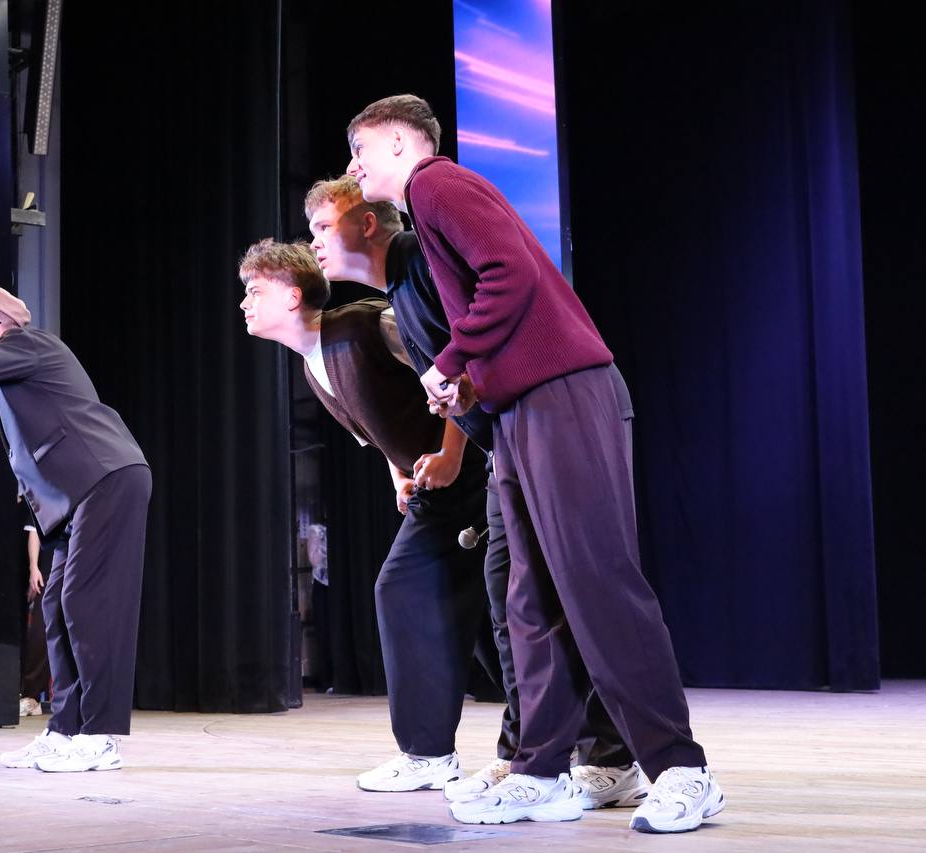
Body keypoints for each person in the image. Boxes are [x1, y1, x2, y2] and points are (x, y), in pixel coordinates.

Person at [345, 95, 723, 833]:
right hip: (521, 409)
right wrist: (469, 378)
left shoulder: (436, 183)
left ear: (397, 144)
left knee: (597, 580)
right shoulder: (429, 203)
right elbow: (500, 301)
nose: (354, 167)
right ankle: (541, 771)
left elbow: (508, 273)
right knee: (532, 598)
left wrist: (451, 358)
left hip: (564, 393)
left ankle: (682, 769)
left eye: (360, 150)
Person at [303, 176, 648, 809]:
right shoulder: (397, 289)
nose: (315, 242)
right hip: (507, 444)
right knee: (515, 601)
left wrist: (453, 448)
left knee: (575, 590)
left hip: (549, 419)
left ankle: (619, 757)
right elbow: (456, 383)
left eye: (323, 226)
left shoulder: (422, 262)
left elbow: (482, 337)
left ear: (368, 224)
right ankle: (531, 756)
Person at [239, 239, 489, 792]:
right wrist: (399, 473)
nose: (244, 303)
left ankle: (440, 753)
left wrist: (451, 452)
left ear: (293, 295)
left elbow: (455, 368)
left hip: (476, 473)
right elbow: (379, 432)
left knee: (414, 592)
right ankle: (450, 751)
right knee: (475, 620)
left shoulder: (365, 325)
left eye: (255, 291)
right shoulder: (313, 368)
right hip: (437, 491)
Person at [0, 287, 150, 773]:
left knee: (88, 604)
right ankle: (64, 730)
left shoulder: (31, 344)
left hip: (105, 477)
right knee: (57, 608)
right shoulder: (14, 381)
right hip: (74, 498)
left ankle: (101, 735)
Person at [19, 517, 52, 717]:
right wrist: (34, 567)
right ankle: (31, 696)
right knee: (40, 633)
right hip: (51, 569)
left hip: (82, 567)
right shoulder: (46, 499)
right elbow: (34, 531)